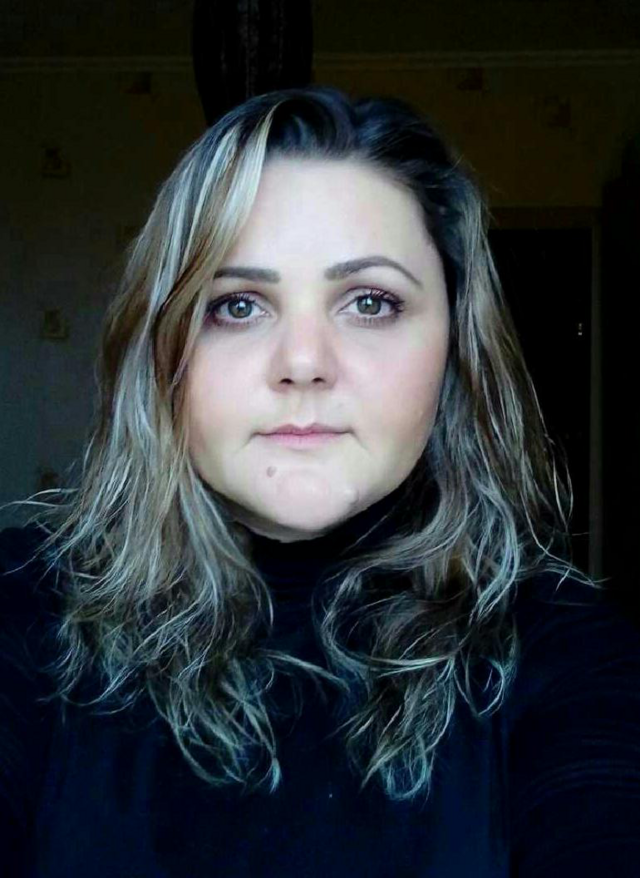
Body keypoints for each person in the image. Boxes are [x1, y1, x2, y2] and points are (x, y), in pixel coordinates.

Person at [1, 84, 640, 877]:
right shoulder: (25, 608)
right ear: (161, 350)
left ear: (454, 348)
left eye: (370, 302)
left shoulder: (565, 649)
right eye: (237, 305)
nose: (303, 363)